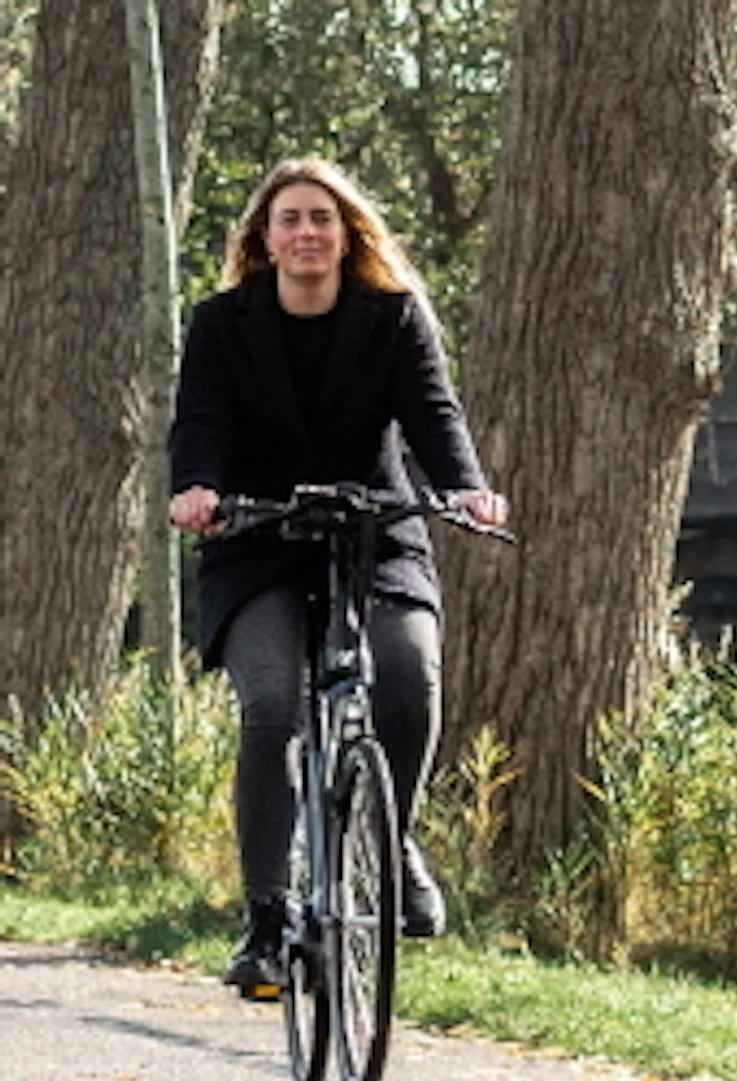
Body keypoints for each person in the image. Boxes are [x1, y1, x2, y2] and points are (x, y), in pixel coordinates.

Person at [167, 158, 508, 995]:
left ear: (349, 232)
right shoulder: (220, 324)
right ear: (264, 238)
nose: (307, 232)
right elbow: (200, 418)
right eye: (290, 219)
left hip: (373, 532)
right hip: (257, 537)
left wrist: (464, 486)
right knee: (274, 704)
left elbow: (433, 412)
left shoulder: (393, 319)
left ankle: (390, 847)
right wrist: (196, 490)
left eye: (323, 217)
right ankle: (266, 918)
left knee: (409, 673)